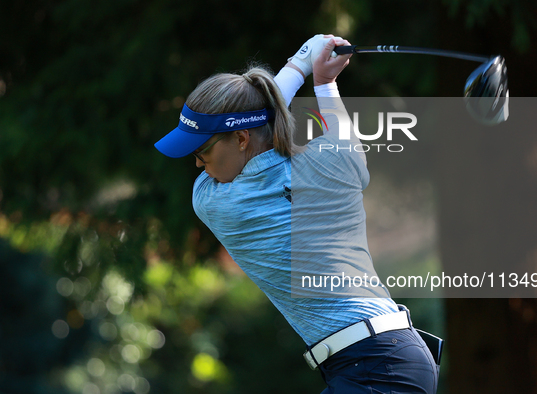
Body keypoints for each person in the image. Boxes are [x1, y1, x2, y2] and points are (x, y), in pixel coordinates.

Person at [155, 34, 439, 393]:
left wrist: (301, 65)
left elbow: (268, 113)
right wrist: (322, 81)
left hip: (377, 365)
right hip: (387, 357)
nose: (197, 163)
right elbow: (314, 133)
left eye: (203, 150)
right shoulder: (332, 163)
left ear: (241, 139)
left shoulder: (214, 201)